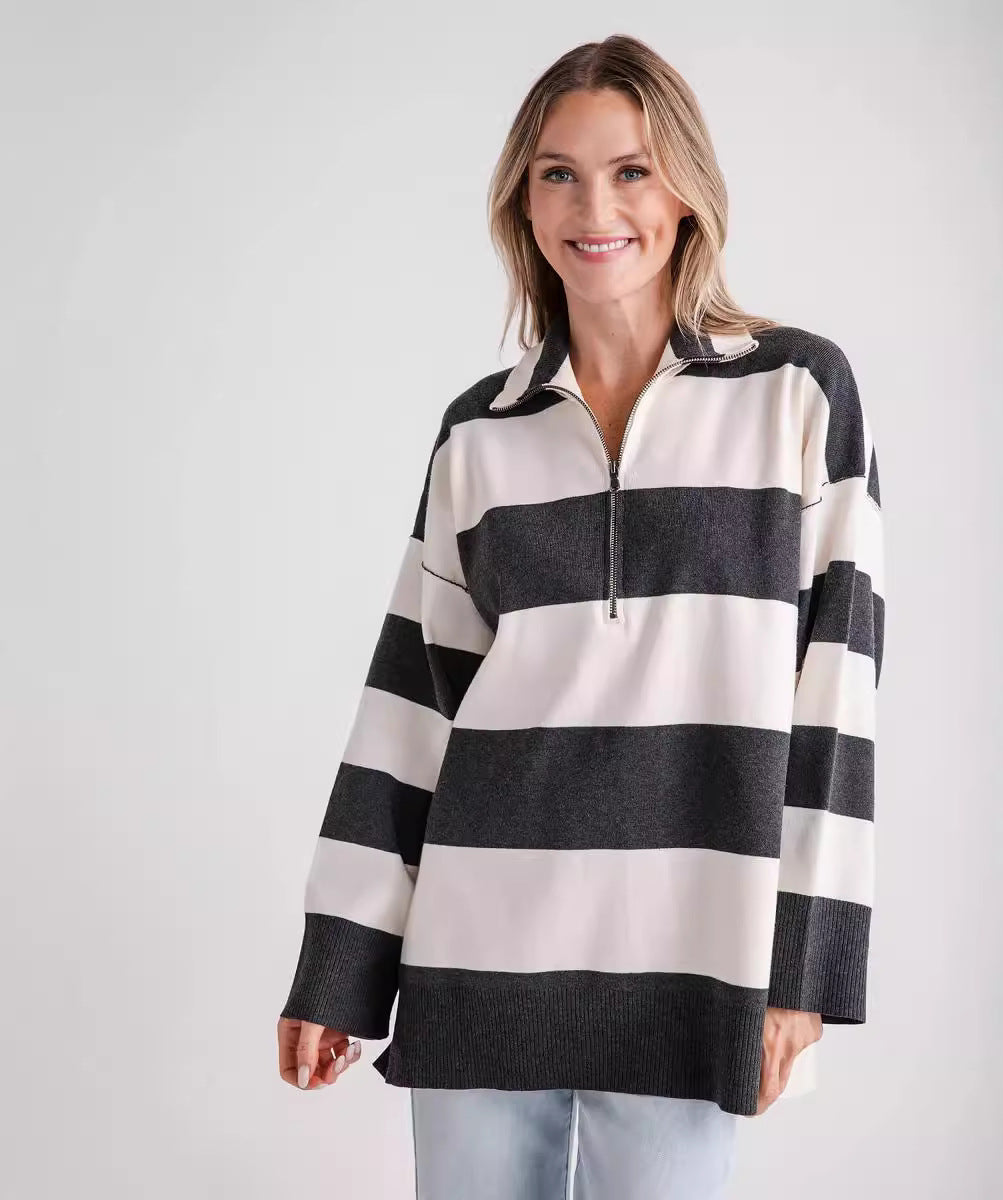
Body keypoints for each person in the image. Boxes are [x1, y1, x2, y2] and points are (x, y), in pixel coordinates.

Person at [276, 32, 885, 1200]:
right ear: (523, 198)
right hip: (478, 957)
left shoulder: (797, 395)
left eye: (631, 171)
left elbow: (837, 701)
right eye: (558, 173)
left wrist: (803, 970)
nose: (595, 208)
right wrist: (339, 969)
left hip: (692, 961)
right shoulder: (482, 432)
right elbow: (409, 711)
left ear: (686, 192)